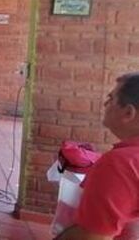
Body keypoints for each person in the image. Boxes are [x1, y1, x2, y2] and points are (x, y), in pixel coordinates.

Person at [58, 73, 139, 240]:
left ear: (128, 113)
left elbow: (92, 237)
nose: (105, 104)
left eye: (111, 99)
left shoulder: (121, 163)